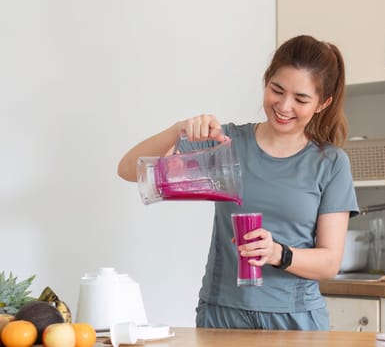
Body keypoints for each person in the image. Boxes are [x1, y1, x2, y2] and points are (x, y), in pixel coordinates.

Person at [117, 35, 359, 330]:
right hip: (222, 315)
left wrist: (277, 253)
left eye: (301, 99)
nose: (284, 106)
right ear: (266, 81)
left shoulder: (330, 163)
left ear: (323, 103)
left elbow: (330, 262)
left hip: (295, 321)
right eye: (277, 90)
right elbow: (130, 169)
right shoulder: (225, 143)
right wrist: (178, 130)